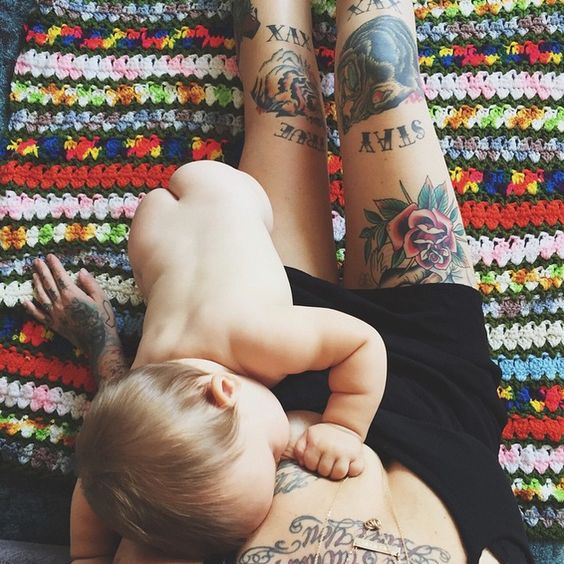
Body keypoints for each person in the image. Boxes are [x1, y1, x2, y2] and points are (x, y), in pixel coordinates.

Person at [24, 0, 534, 562]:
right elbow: (126, 486)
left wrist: (105, 351)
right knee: (380, 61)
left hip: (260, 327)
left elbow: (114, 471)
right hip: (434, 381)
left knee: (287, 101)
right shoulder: (183, 515)